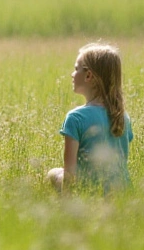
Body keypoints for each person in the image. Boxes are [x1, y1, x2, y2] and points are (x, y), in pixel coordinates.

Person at [46, 43, 133, 193]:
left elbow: (70, 174)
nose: (72, 74)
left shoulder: (75, 118)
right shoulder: (123, 116)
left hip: (90, 191)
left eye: (75, 69)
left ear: (88, 75)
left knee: (53, 174)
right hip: (121, 192)